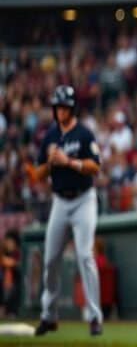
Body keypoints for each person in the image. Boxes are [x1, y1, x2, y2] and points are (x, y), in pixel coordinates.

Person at [34, 85, 103, 337]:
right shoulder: (50, 136)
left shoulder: (84, 133)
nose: (61, 110)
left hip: (84, 199)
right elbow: (38, 174)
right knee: (50, 259)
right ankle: (49, 316)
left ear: (72, 107)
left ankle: (95, 317)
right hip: (60, 202)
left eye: (64, 106)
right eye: (58, 106)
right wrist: (50, 164)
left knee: (85, 255)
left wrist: (69, 161)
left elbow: (95, 167)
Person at [1, 230, 20, 317]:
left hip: (15, 283)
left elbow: (14, 263)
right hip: (3, 284)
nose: (9, 244)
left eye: (11, 242)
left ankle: (11, 311)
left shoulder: (17, 253)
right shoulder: (3, 253)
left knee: (13, 288)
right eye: (7, 241)